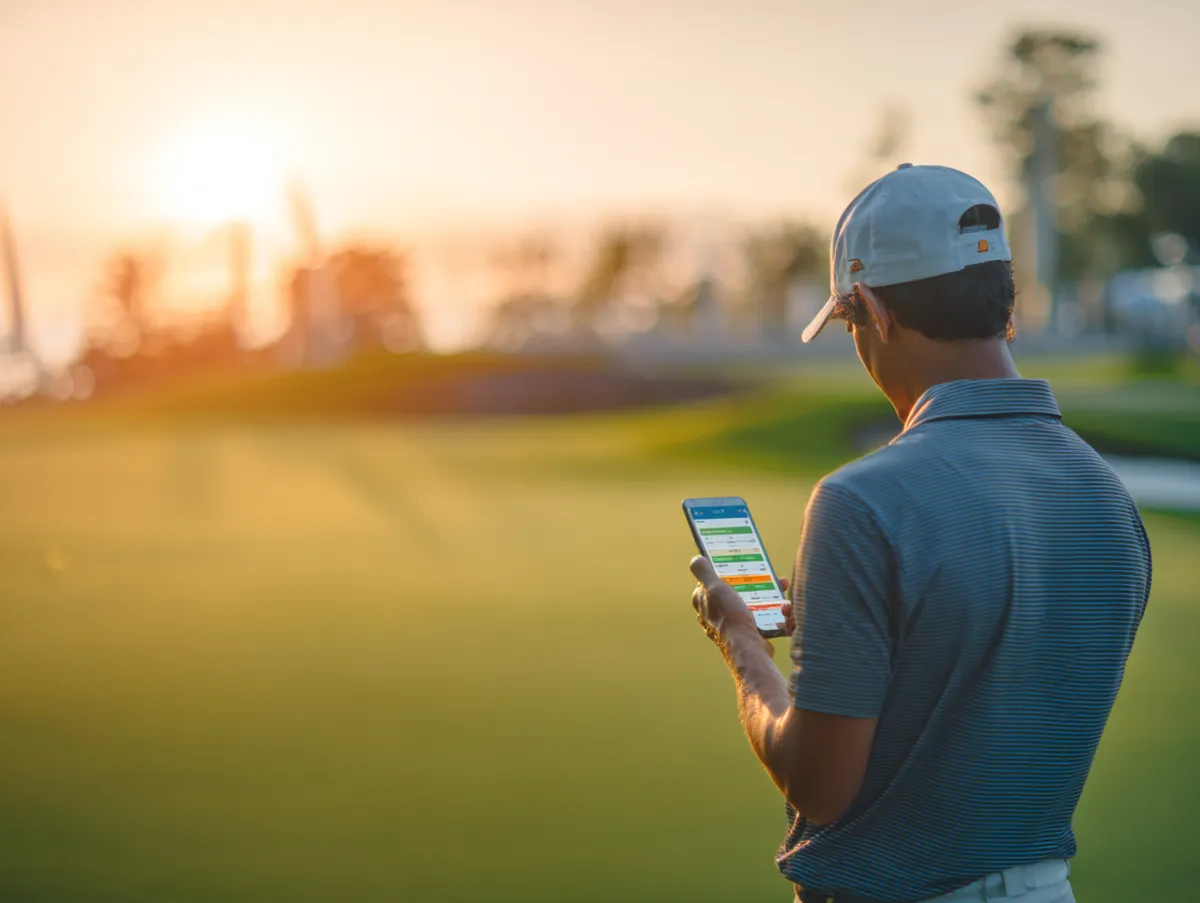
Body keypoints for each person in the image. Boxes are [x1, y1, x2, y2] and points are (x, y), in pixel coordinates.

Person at [687, 164, 1151, 903]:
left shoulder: (860, 501)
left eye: (847, 322)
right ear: (1009, 305)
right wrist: (855, 621)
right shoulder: (1108, 495)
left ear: (873, 307)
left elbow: (820, 785)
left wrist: (741, 643)